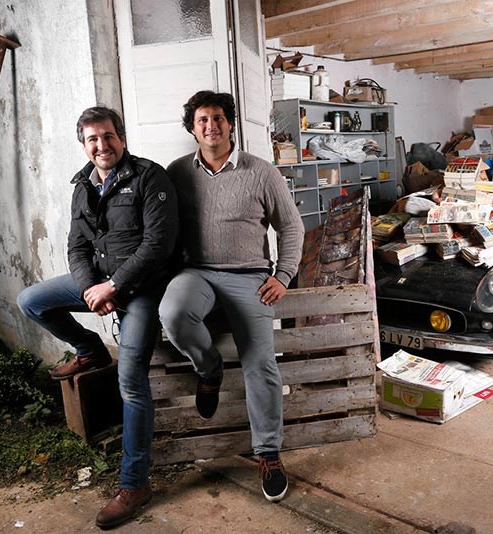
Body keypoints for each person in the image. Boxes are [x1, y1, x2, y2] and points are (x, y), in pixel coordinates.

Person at [17, 106, 178, 529]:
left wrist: (115, 287)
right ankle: (90, 350)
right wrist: (92, 289)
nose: (101, 145)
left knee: (131, 383)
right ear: (84, 144)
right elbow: (76, 248)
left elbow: (159, 244)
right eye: (92, 139)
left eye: (108, 136)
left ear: (120, 137)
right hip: (100, 284)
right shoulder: (81, 186)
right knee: (31, 300)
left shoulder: (149, 176)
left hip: (140, 289)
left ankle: (134, 483)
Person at [159, 91, 304, 503]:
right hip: (197, 272)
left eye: (219, 118)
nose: (211, 126)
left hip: (251, 277)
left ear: (231, 124)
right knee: (173, 313)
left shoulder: (261, 172)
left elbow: (291, 228)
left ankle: (269, 452)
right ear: (192, 128)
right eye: (202, 119)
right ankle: (209, 371)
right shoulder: (177, 173)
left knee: (261, 363)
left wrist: (284, 275)